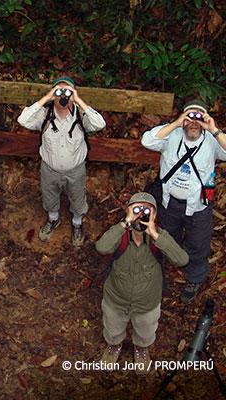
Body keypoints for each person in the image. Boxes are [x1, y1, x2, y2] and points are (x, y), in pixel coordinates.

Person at [142, 99, 226, 302]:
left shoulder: (212, 141)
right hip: (169, 203)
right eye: (190, 117)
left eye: (199, 117)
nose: (194, 122)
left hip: (198, 206)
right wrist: (177, 123)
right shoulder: (172, 135)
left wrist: (213, 129)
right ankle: (171, 262)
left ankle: (194, 278)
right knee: (169, 237)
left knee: (198, 244)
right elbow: (147, 140)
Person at [96, 192, 188, 375]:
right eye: (136, 209)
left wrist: (154, 234)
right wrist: (125, 223)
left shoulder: (159, 236)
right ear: (129, 210)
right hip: (116, 300)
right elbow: (102, 247)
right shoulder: (119, 233)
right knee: (113, 329)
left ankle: (141, 349)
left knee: (145, 332)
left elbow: (182, 260)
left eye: (146, 210)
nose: (141, 214)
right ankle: (114, 346)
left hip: (147, 303)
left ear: (154, 215)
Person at [17, 76, 106, 246]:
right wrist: (46, 98)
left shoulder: (80, 115)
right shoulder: (44, 115)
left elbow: (99, 124)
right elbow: (23, 120)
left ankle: (77, 222)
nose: (62, 95)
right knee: (49, 196)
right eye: (58, 91)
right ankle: (53, 219)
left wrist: (78, 100)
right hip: (50, 168)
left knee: (77, 197)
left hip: (76, 169)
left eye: (67, 91)